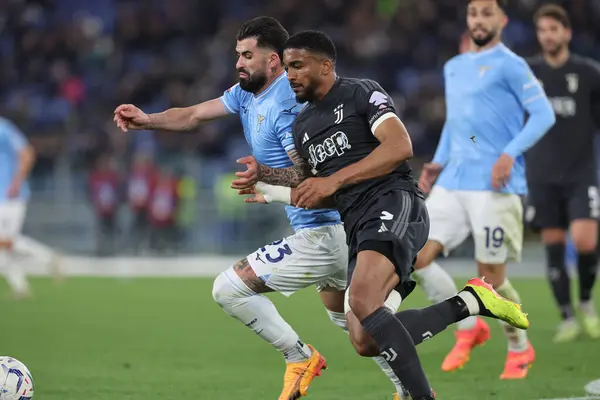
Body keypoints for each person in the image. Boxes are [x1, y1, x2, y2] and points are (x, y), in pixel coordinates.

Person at [114, 16, 410, 400]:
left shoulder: (287, 105)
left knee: (228, 289)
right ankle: (410, 389)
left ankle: (298, 355)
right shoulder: (245, 94)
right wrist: (147, 120)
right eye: (237, 54)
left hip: (326, 230)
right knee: (353, 322)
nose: (239, 62)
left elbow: (308, 175)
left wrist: (266, 177)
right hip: (338, 228)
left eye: (247, 55)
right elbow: (192, 115)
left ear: (274, 62)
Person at [234, 29, 530, 400]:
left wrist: (334, 181)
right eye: (288, 67)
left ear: (325, 66)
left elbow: (399, 146)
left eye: (297, 66)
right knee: (364, 338)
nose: (290, 75)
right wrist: (272, 188)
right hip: (358, 225)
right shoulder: (303, 126)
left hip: (394, 202)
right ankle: (471, 302)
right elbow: (320, 192)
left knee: (360, 302)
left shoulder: (360, 92)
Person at [411, 0, 556, 379]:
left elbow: (544, 114)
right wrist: (437, 163)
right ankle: (468, 326)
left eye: (487, 13)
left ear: (502, 21)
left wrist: (509, 154)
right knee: (415, 256)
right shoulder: (454, 67)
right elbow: (457, 124)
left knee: (489, 279)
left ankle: (519, 347)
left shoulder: (511, 64)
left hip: (494, 185)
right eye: (474, 13)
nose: (479, 19)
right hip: (453, 181)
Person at [526, 4, 600, 342]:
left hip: (581, 173)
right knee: (554, 245)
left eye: (554, 29)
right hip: (541, 174)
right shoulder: (527, 75)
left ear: (566, 33)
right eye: (542, 30)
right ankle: (567, 317)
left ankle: (585, 302)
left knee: (586, 241)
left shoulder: (589, 73)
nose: (548, 36)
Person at [0, 116, 36, 299]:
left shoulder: (4, 128)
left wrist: (17, 181)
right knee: (5, 246)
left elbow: (27, 153)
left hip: (10, 196)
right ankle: (21, 288)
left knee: (6, 243)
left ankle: (48, 258)